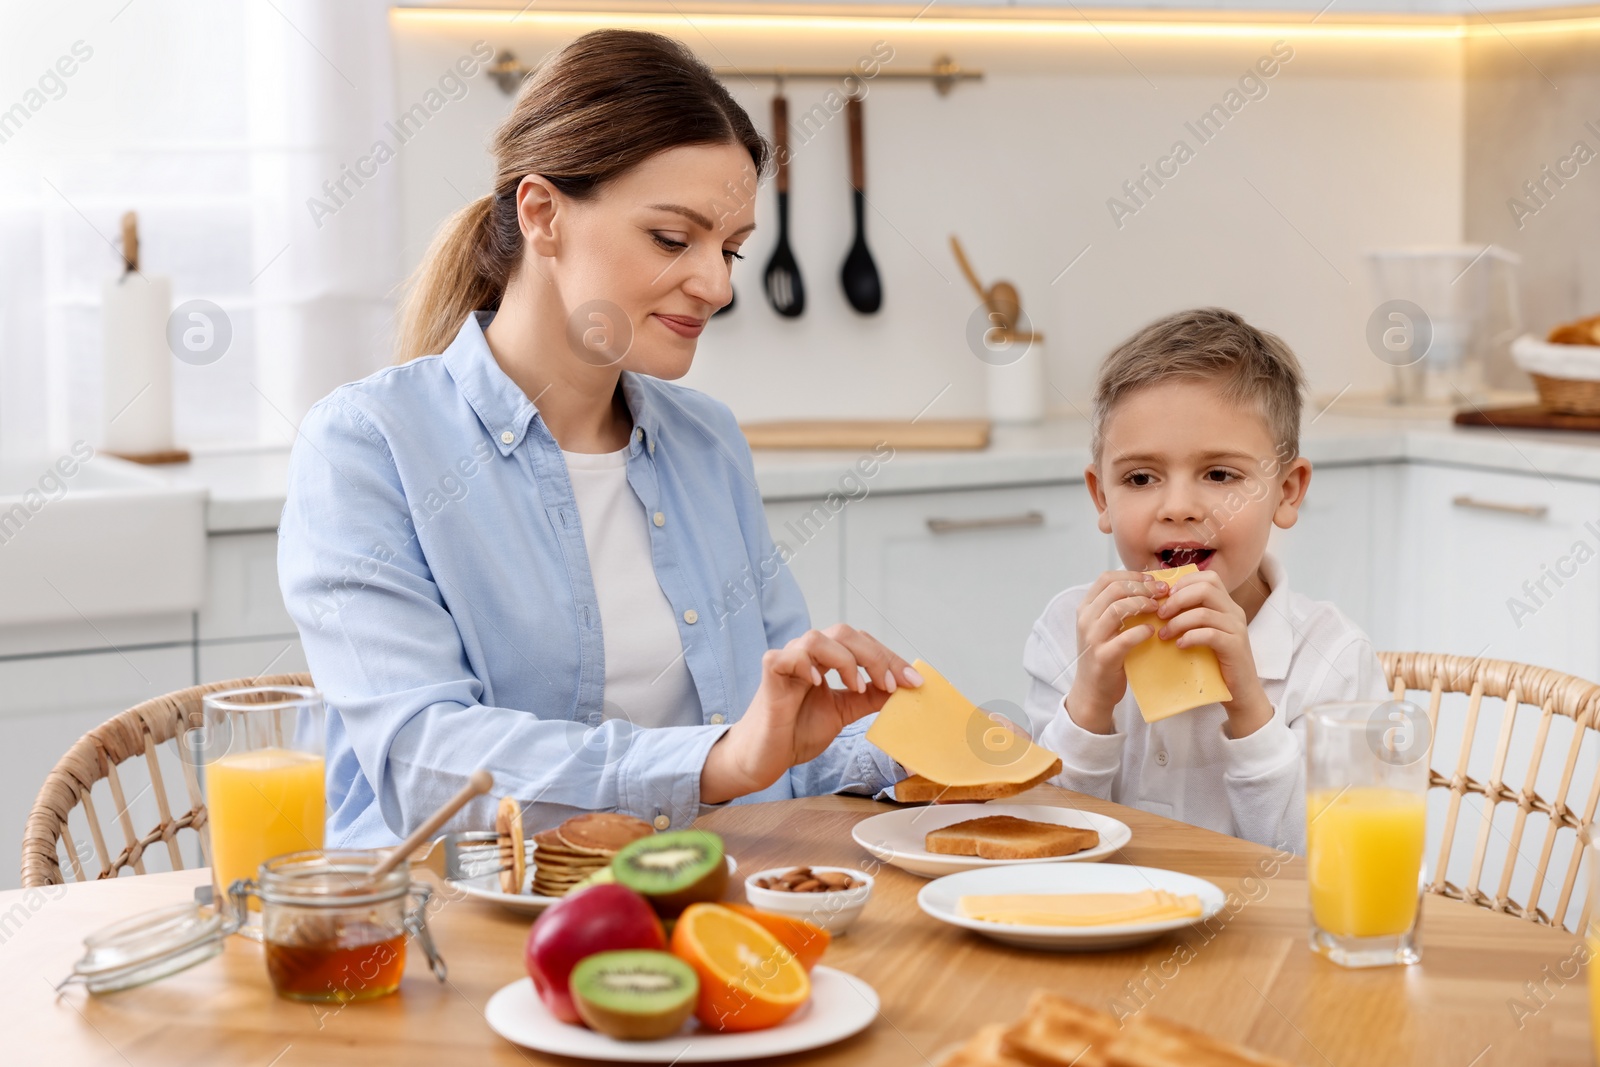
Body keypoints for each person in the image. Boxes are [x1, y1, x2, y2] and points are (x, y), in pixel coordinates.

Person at [277, 29, 921, 848]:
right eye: (671, 238)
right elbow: (425, 763)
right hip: (454, 925)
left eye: (730, 248)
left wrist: (920, 747)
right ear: (542, 214)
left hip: (700, 894)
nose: (718, 285)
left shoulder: (706, 441)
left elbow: (778, 746)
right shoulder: (369, 447)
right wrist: (715, 762)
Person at [1022, 307, 1387, 854]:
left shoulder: (1334, 661)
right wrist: (1090, 708)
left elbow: (1336, 864)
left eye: (1220, 474)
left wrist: (1249, 709)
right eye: (1141, 478)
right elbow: (1039, 843)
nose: (1179, 507)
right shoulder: (1066, 633)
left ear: (1287, 492)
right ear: (1101, 497)